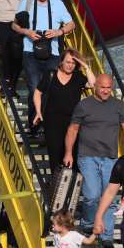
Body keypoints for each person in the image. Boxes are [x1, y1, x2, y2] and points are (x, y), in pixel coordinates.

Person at [64, 74, 124, 248]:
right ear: (95, 86)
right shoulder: (84, 105)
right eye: (102, 87)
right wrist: (68, 153)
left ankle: (106, 236)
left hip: (110, 158)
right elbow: (73, 129)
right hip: (87, 156)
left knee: (110, 198)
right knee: (92, 195)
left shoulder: (118, 105)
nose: (105, 91)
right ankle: (88, 223)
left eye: (109, 87)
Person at [10, 0, 75, 128]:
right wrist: (27, 32)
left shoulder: (57, 3)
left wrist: (59, 32)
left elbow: (71, 24)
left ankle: (47, 122)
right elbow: (14, 25)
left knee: (50, 89)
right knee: (34, 88)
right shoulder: (27, 1)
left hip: (52, 53)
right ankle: (34, 124)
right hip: (30, 52)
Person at [32, 48, 95, 180]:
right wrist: (38, 111)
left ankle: (71, 186)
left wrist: (85, 66)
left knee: (73, 157)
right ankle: (57, 186)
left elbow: (92, 84)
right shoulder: (51, 74)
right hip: (52, 123)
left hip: (73, 124)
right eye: (67, 62)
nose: (70, 65)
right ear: (61, 61)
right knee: (55, 157)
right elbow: (38, 92)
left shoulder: (78, 76)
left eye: (73, 63)